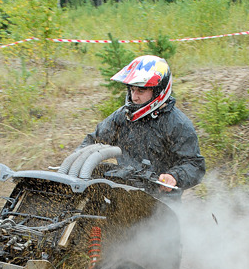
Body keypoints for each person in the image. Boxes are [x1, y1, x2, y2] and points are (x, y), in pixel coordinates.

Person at [80, 55, 205, 194]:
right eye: (132, 90)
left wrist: (174, 176)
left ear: (158, 90)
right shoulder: (123, 116)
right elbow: (93, 141)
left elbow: (195, 164)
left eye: (141, 90)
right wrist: (77, 160)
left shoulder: (177, 124)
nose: (134, 97)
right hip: (124, 192)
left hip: (161, 200)